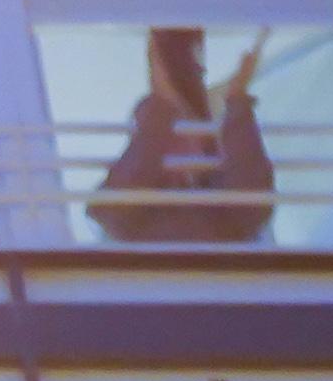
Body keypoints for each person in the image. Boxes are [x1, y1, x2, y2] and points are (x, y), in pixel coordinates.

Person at [89, 27, 277, 247]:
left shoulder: (228, 216)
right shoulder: (126, 218)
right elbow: (112, 209)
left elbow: (251, 194)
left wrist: (237, 103)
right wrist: (162, 111)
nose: (181, 142)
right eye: (170, 135)